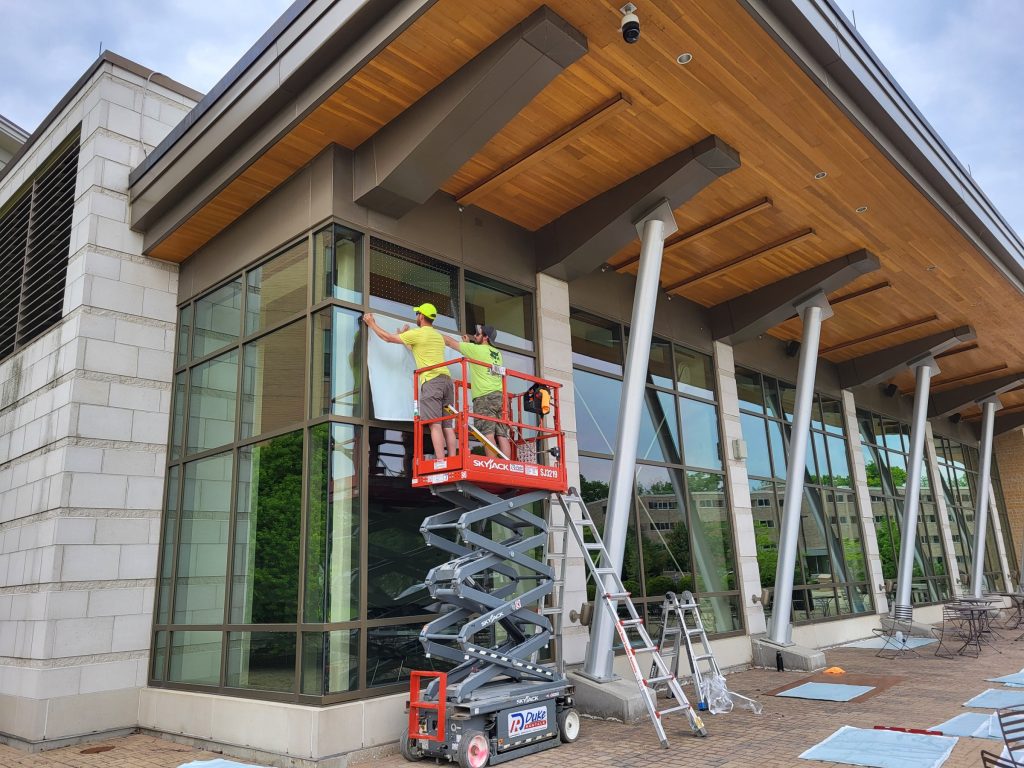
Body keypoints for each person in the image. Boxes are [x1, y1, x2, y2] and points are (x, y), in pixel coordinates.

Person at [363, 303, 457, 461]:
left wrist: (371, 323)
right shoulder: (437, 336)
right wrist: (406, 335)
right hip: (446, 381)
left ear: (421, 316)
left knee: (435, 424)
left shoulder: (419, 333)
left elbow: (388, 338)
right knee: (447, 425)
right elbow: (416, 349)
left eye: (417, 315)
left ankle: (441, 461)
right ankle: (453, 459)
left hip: (432, 381)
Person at [444, 323, 511, 458]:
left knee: (487, 434)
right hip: (500, 397)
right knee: (502, 434)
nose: (475, 336)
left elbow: (450, 343)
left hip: (484, 397)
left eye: (478, 334)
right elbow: (478, 359)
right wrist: (469, 345)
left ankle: (493, 466)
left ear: (485, 337)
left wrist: (431, 333)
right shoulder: (497, 354)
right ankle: (506, 465)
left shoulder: (477, 350)